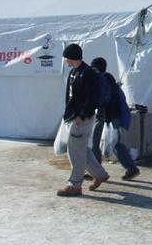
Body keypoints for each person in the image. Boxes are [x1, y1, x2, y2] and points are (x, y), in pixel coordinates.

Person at [57, 44, 109, 197]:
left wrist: (82, 116)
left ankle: (75, 185)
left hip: (81, 119)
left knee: (75, 152)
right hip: (74, 117)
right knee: (80, 148)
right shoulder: (74, 72)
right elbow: (71, 96)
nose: (65, 60)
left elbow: (92, 98)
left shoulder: (87, 74)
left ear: (72, 57)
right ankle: (99, 174)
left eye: (66, 57)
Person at [88, 57, 141, 181]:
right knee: (114, 143)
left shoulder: (102, 79)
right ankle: (131, 169)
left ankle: (96, 171)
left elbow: (103, 100)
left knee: (95, 143)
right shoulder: (109, 78)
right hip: (112, 116)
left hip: (106, 117)